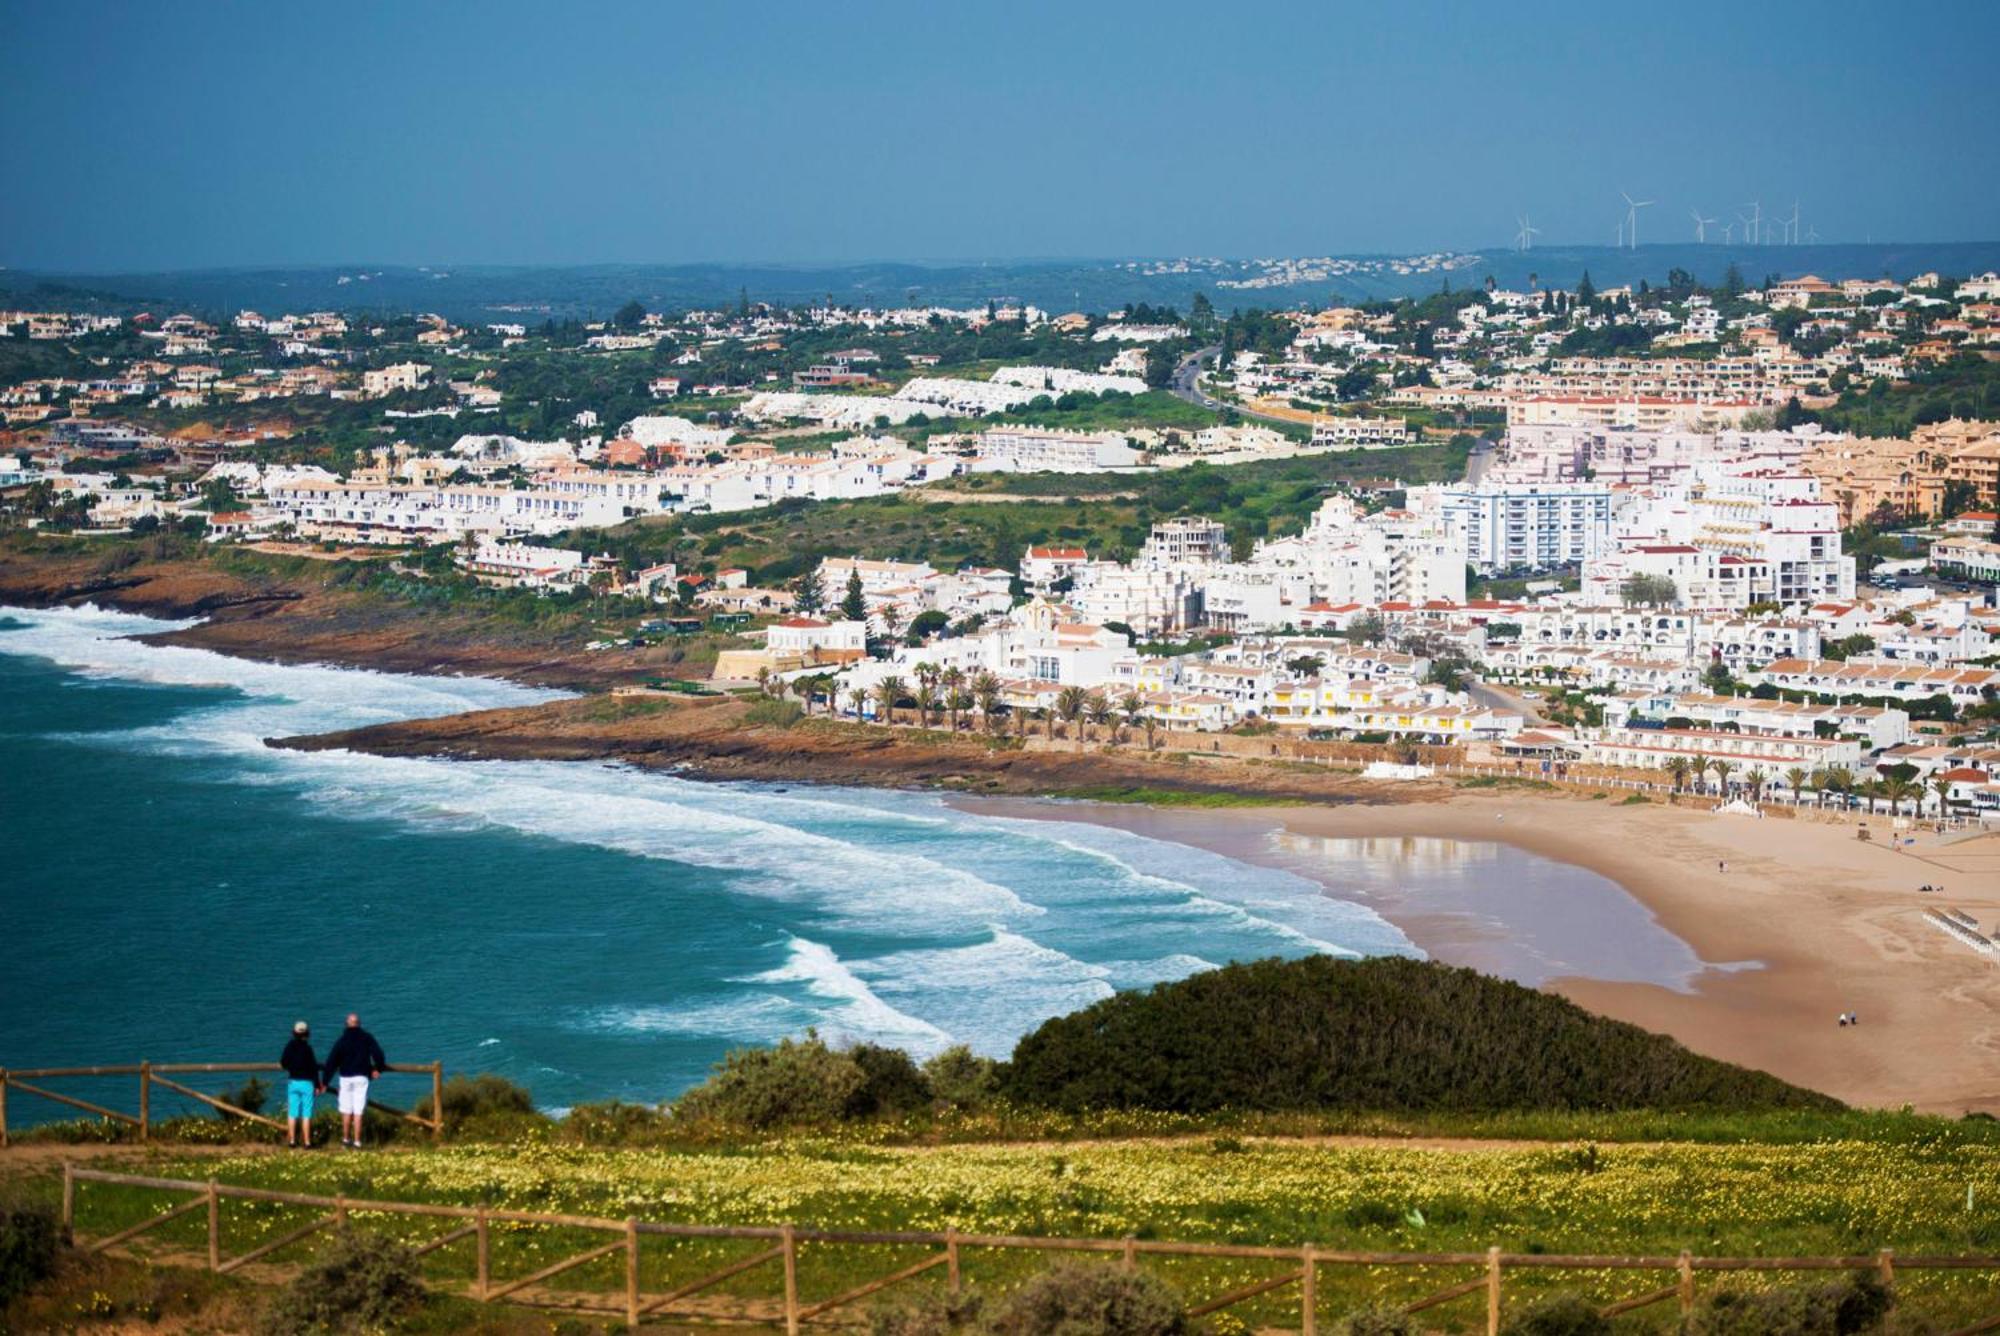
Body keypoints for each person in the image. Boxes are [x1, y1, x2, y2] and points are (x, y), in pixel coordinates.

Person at [321, 1013, 387, 1149]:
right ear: (359, 1023)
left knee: (346, 1110)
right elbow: (379, 1055)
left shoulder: (341, 1041)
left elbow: (331, 1062)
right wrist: (378, 1069)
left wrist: (325, 1082)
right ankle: (357, 1142)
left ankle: (345, 1140)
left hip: (345, 1078)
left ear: (347, 1024)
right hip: (361, 1077)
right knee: (358, 1111)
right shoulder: (366, 1038)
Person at [280, 1021, 321, 1148]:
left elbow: (283, 1062)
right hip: (307, 1083)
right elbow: (314, 1068)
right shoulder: (308, 1049)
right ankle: (307, 1142)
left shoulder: (289, 1046)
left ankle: (292, 1141)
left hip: (293, 1082)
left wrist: (291, 1067)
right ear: (307, 1033)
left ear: (294, 1033)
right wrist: (318, 1085)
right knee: (306, 1113)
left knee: (292, 1113)